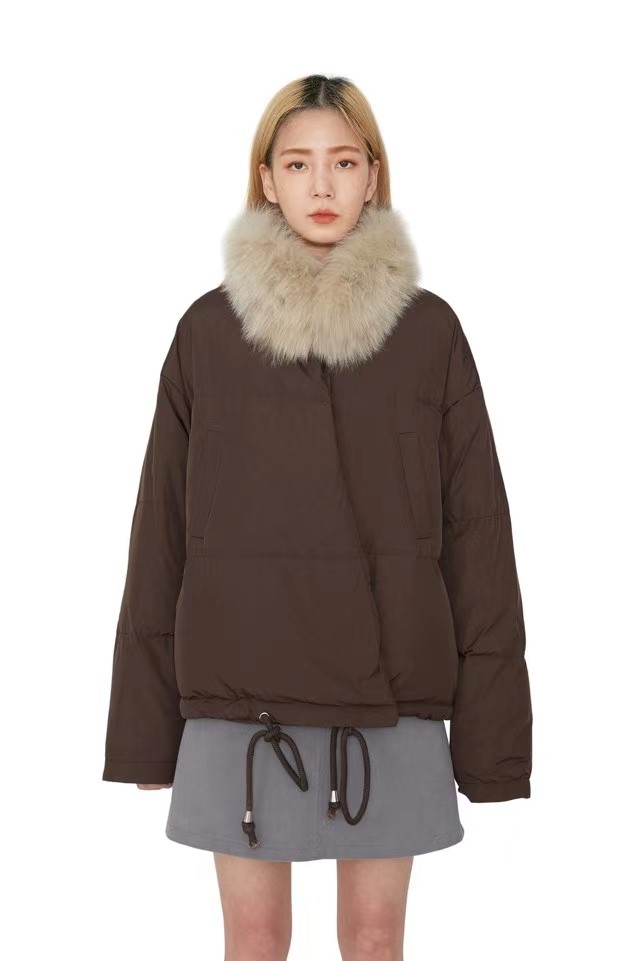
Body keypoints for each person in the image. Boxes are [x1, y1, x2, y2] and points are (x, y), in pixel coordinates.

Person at [102, 73, 533, 959]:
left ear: (374, 174)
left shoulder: (429, 333)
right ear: (266, 178)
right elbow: (162, 537)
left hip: (391, 698)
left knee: (374, 942)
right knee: (254, 940)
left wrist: (493, 743)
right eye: (298, 163)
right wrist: (146, 733)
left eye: (343, 161)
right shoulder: (208, 333)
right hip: (237, 695)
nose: (322, 184)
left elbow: (478, 535)